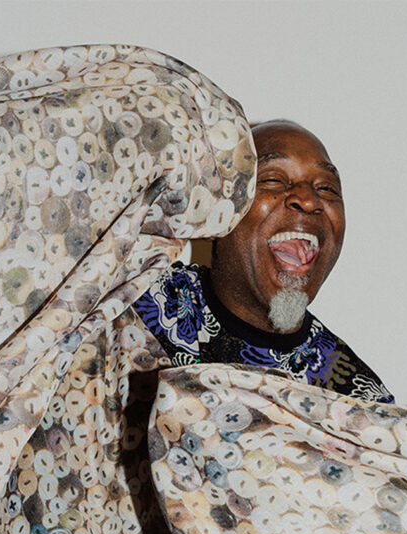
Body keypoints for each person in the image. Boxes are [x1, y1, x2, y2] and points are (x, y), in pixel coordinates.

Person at [133, 120, 393, 402]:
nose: (308, 200)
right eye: (273, 180)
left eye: (327, 188)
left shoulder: (358, 401)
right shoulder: (130, 304)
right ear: (216, 215)